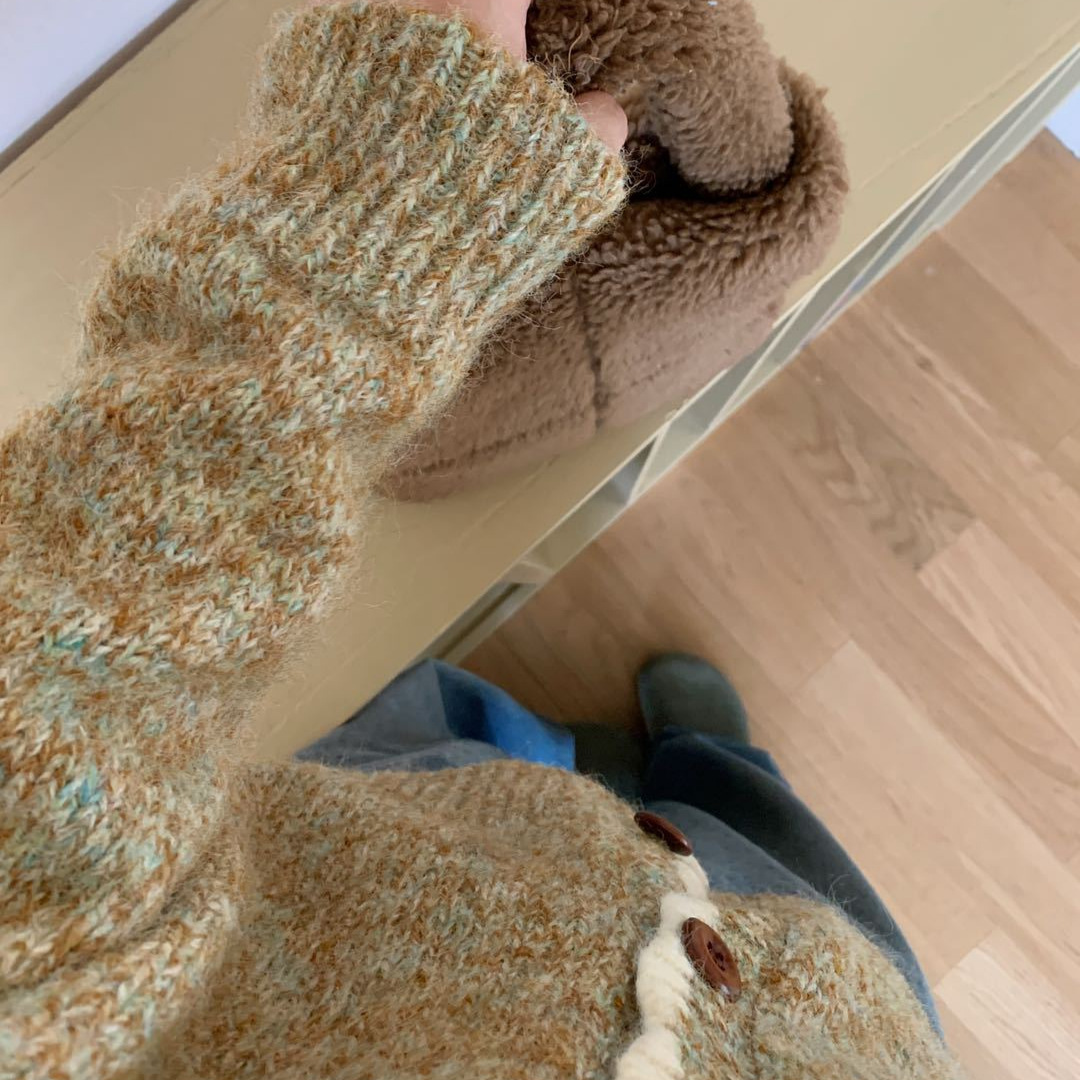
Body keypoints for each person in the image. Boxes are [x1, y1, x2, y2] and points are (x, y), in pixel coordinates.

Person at [0, 1, 958, 1077]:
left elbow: (45, 756)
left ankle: (621, 762)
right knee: (781, 860)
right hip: (840, 1014)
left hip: (395, 855)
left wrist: (379, 216)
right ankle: (714, 767)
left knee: (441, 738)